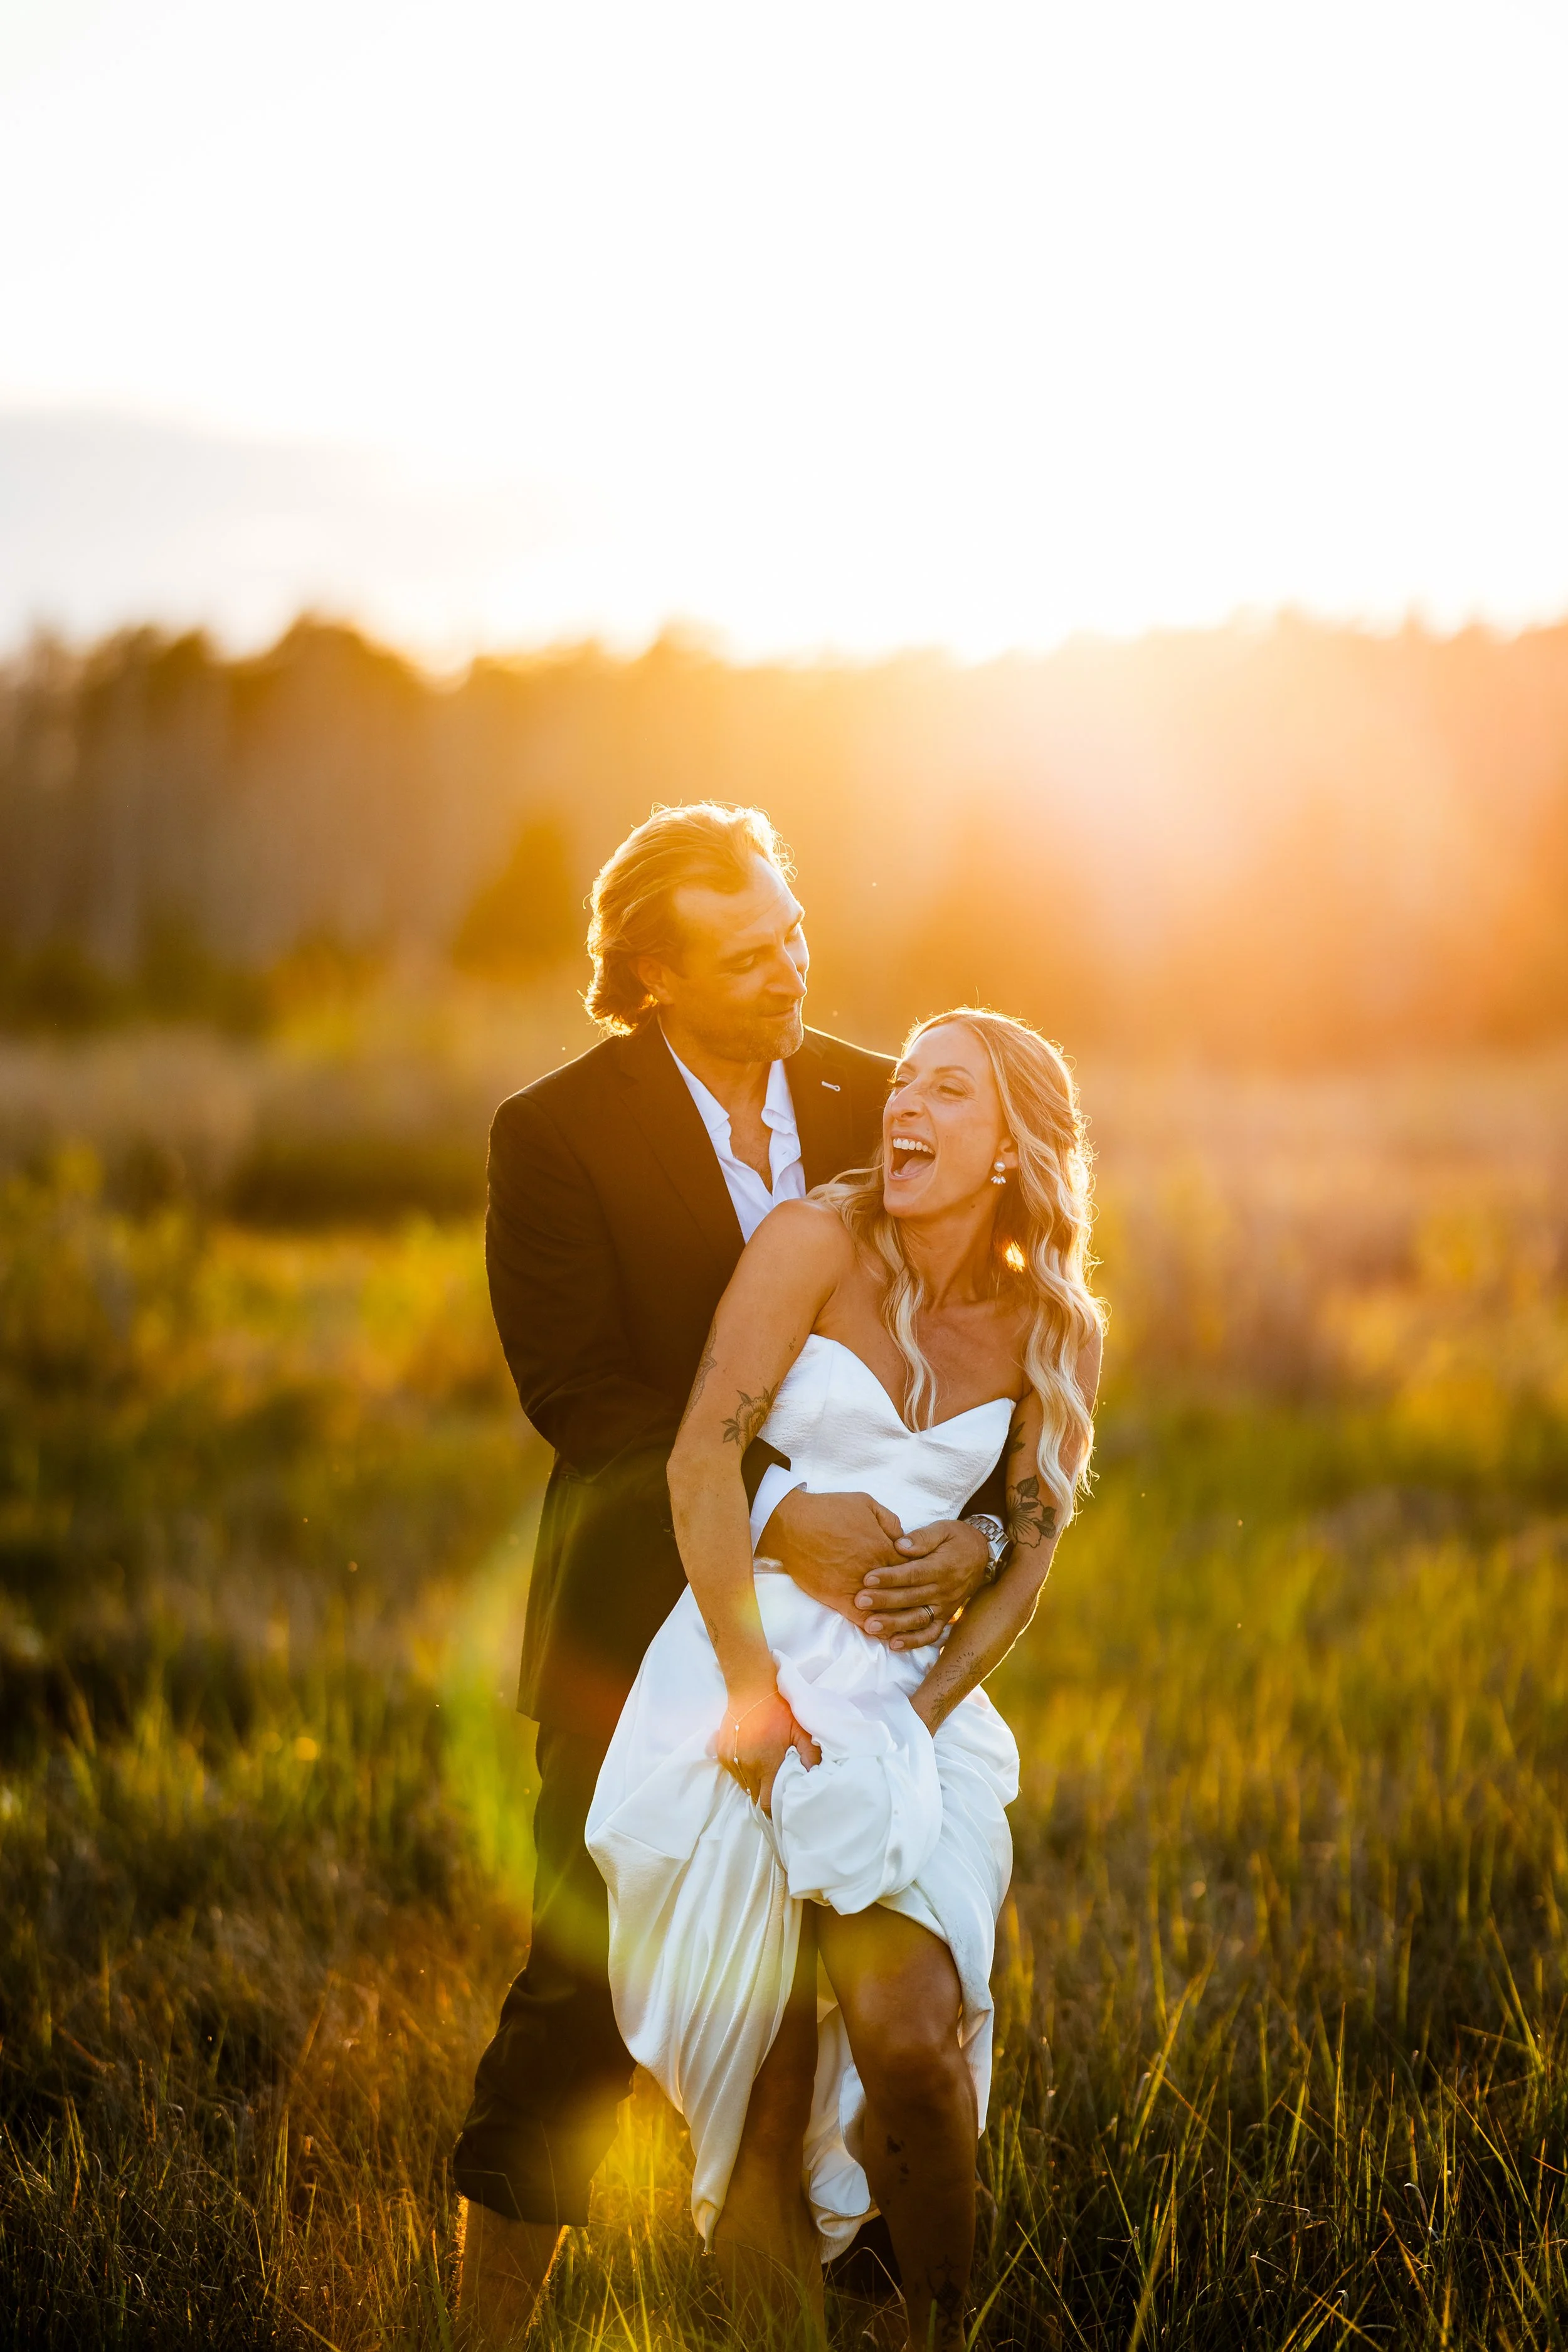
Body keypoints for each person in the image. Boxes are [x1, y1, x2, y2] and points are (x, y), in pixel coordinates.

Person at [453, 803, 1007, 2344]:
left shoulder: (861, 1092)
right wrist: (773, 1510)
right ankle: (485, 2329)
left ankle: (872, 2309)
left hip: (867, 1635)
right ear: (649, 974)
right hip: (633, 1618)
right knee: (576, 1992)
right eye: (748, 952)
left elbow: (975, 1309)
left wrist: (976, 1534)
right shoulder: (552, 1133)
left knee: (874, 1992)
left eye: (794, 931)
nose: (790, 966)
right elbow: (578, 1395)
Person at [586, 1007, 1104, 2351]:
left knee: (912, 2046)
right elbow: (700, 1460)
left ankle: (939, 2331)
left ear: (1010, 1149)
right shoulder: (810, 1243)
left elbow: (1026, 1561)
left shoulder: (1056, 1326)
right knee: (758, 2089)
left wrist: (920, 1723)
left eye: (950, 1092)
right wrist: (754, 1694)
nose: (904, 1108)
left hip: (906, 1700)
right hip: (739, 1664)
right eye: (904, 1085)